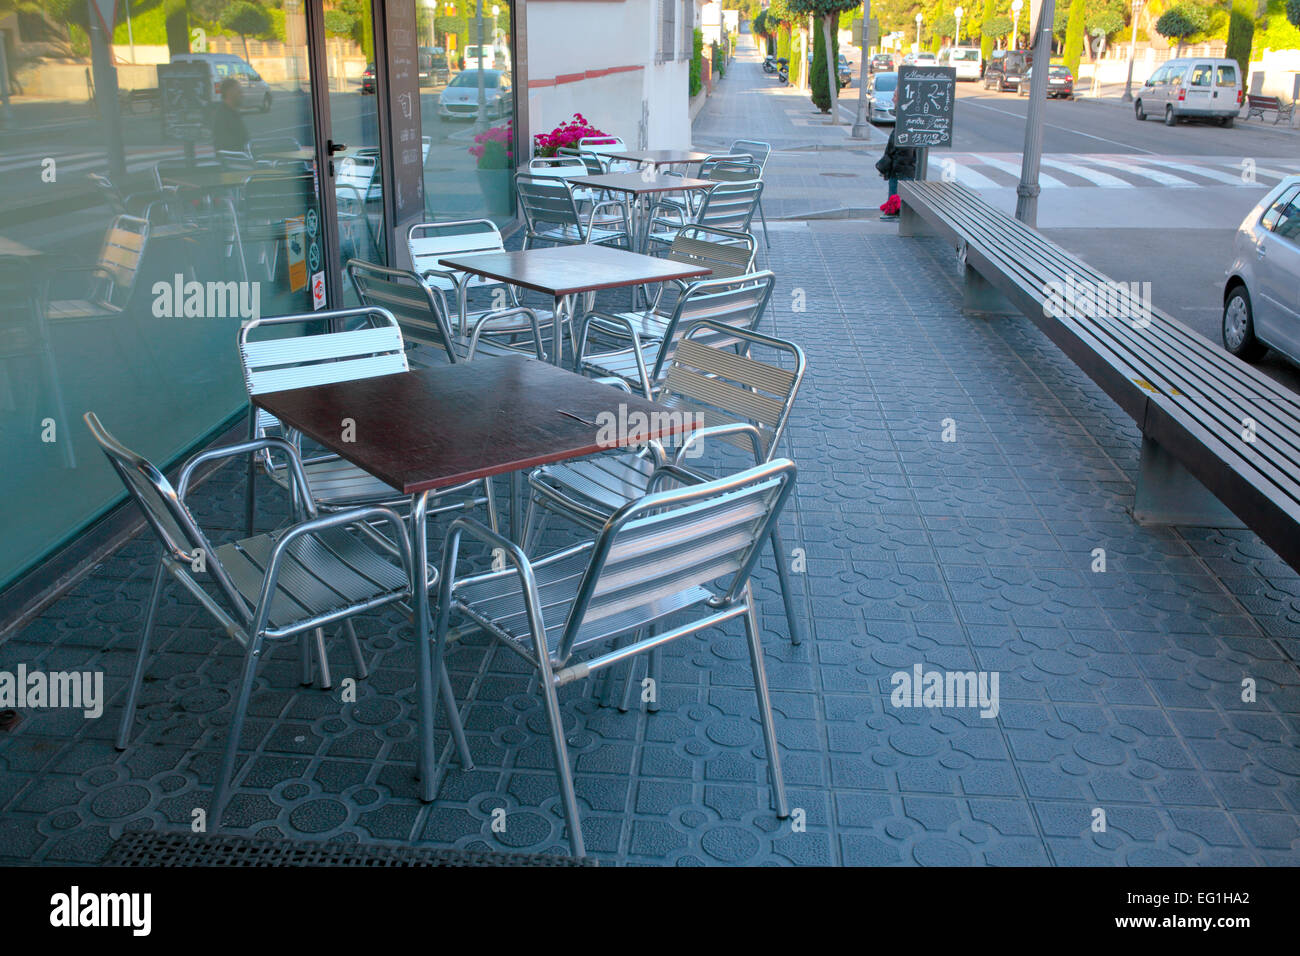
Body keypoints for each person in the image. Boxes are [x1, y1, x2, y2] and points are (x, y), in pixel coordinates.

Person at [874, 86, 917, 221]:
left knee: (896, 202)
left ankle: (894, 215)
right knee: (896, 200)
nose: (892, 99)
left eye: (895, 96)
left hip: (900, 169)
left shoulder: (906, 121)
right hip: (900, 167)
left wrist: (891, 165)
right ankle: (894, 214)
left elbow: (900, 148)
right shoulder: (903, 117)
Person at [212, 77, 250, 154]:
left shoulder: (233, 113)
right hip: (234, 161)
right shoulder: (223, 116)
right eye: (239, 92)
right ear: (229, 92)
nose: (242, 95)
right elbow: (225, 145)